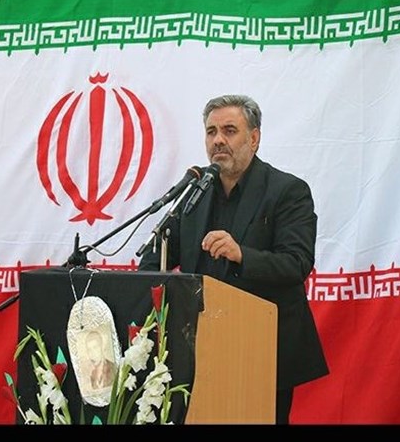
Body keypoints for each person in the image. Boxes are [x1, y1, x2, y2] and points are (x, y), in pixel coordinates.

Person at [138, 94, 329, 424]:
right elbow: (158, 255)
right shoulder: (195, 191)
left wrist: (242, 254)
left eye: (229, 130)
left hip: (263, 349)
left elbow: (296, 263)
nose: (218, 140)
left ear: (254, 138)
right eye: (211, 132)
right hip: (199, 345)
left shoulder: (287, 191)